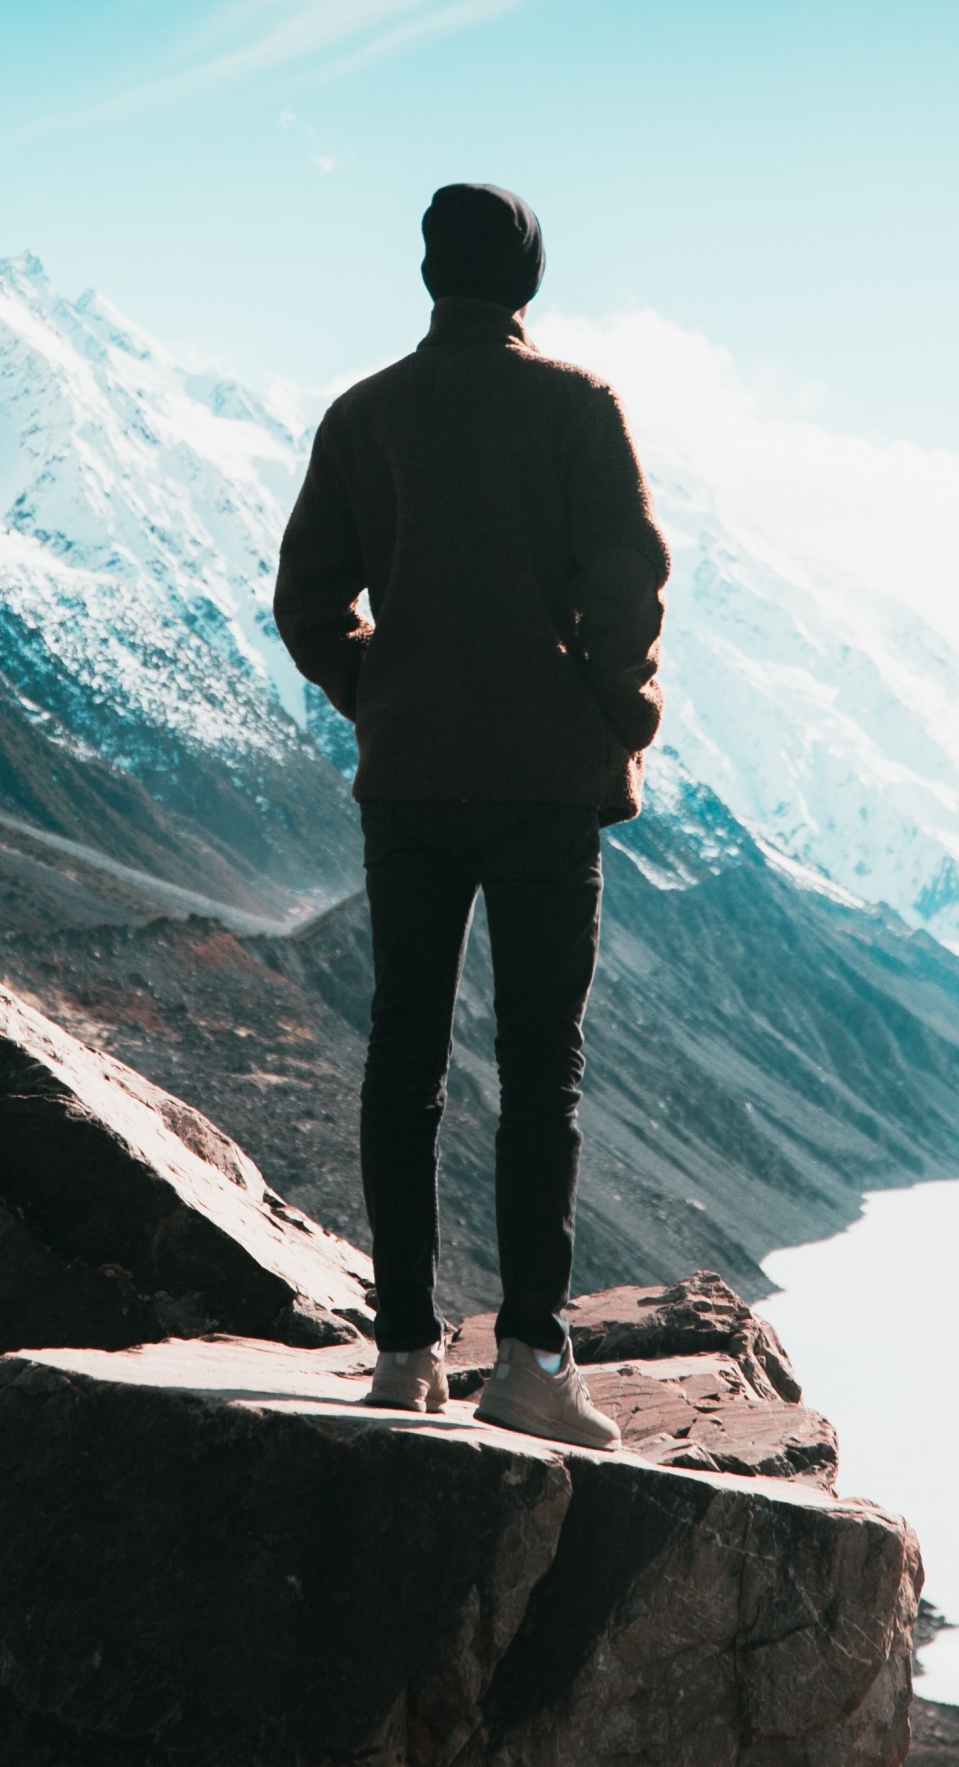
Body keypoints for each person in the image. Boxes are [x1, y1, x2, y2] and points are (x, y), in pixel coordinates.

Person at [273, 182, 670, 1446]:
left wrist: (377, 689)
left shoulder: (365, 415)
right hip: (547, 785)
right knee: (539, 1070)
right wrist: (617, 709)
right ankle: (531, 1362)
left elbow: (307, 602)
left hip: (411, 784)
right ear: (527, 279)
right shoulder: (576, 408)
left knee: (406, 1056)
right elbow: (626, 581)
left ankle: (401, 1352)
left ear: (430, 274)